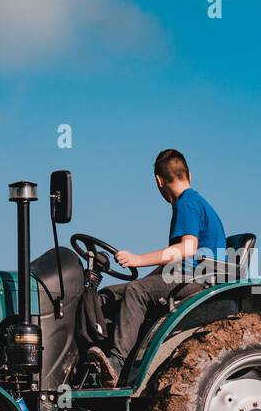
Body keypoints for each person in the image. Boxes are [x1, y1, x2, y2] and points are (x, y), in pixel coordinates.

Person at [86, 149, 226, 385]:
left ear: (158, 181)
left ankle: (118, 364)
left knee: (136, 292)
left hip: (196, 280)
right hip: (183, 275)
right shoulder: (195, 202)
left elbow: (187, 248)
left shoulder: (187, 204)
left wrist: (137, 259)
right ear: (189, 174)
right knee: (107, 296)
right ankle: (92, 361)